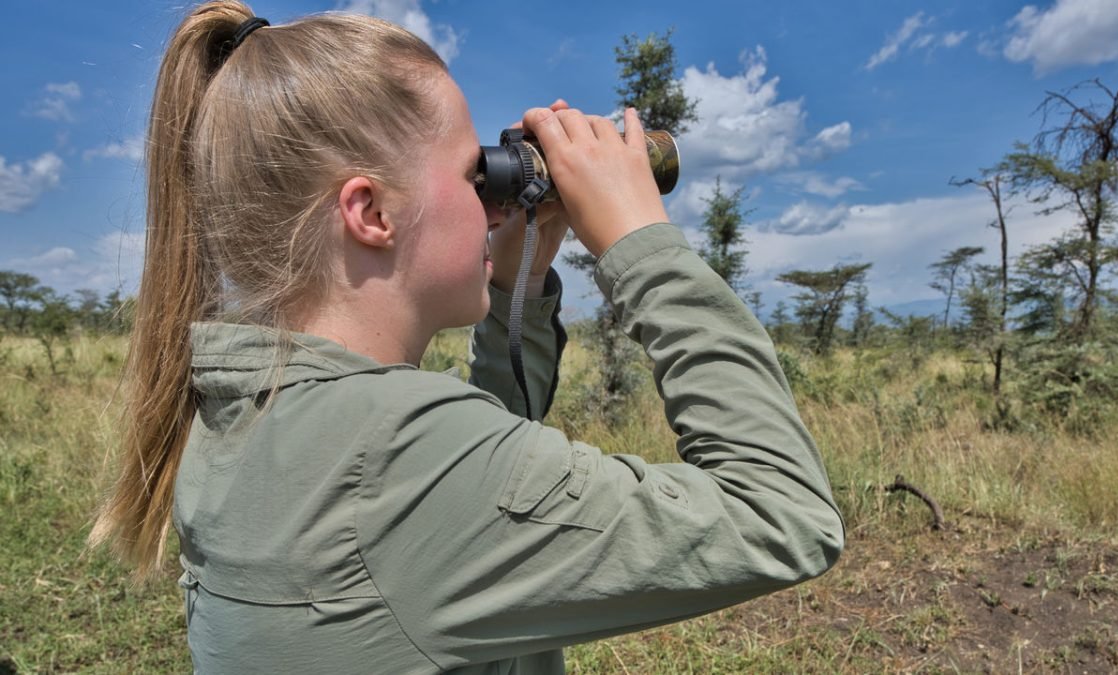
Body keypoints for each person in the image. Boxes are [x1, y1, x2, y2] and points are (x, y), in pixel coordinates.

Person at [88, 1, 844, 672]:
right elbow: (783, 512)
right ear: (371, 213)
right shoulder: (395, 457)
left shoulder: (244, 410)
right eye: (470, 173)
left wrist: (516, 284)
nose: (491, 203)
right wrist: (639, 237)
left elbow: (465, 512)